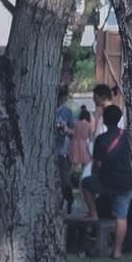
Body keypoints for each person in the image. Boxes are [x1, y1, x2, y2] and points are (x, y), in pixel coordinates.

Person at [82, 104, 132, 258]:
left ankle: (93, 213)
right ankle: (117, 251)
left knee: (85, 183)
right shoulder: (128, 137)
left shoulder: (101, 139)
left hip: (107, 181)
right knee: (121, 217)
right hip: (126, 182)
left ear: (104, 120)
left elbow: (97, 164)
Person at [56, 84, 75, 213]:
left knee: (64, 181)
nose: (61, 101)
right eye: (60, 98)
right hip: (49, 151)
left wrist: (66, 129)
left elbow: (74, 133)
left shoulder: (67, 112)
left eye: (64, 99)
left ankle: (68, 200)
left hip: (62, 151)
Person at [69, 105, 92, 181]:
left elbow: (72, 132)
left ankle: (72, 179)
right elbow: (90, 136)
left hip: (74, 143)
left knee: (74, 164)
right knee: (84, 163)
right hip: (83, 144)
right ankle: (82, 178)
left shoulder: (76, 123)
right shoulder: (89, 125)